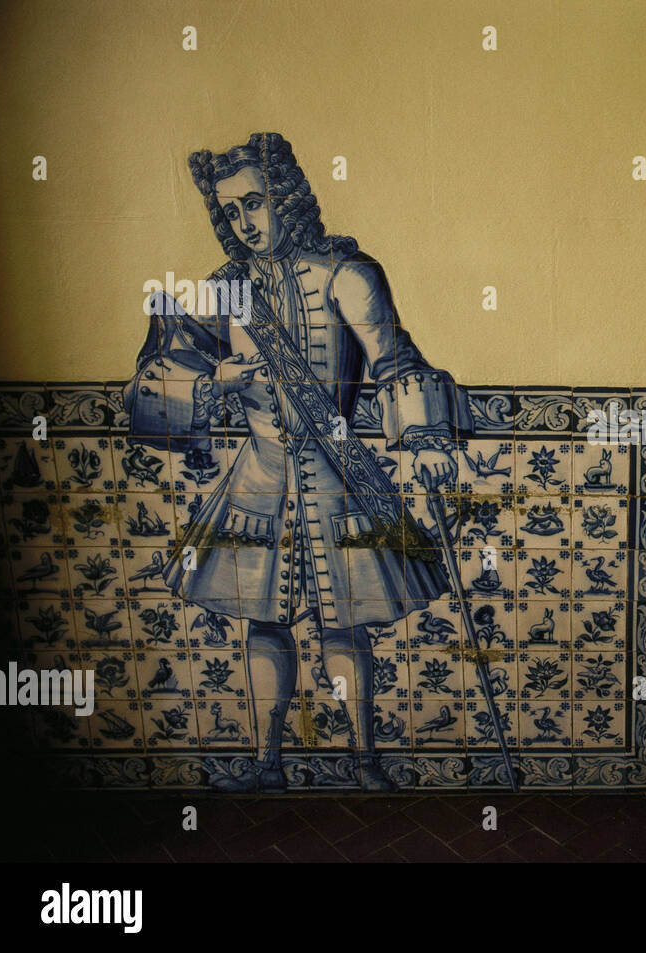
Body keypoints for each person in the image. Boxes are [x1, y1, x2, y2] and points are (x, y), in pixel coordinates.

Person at [125, 133, 471, 792]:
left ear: (284, 195)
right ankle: (267, 764)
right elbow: (155, 377)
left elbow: (395, 358)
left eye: (254, 202)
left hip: (337, 480)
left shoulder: (348, 274)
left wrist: (426, 438)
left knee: (345, 624)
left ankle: (364, 760)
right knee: (264, 625)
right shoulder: (226, 290)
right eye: (231, 211)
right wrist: (218, 378)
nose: (245, 222)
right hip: (259, 480)